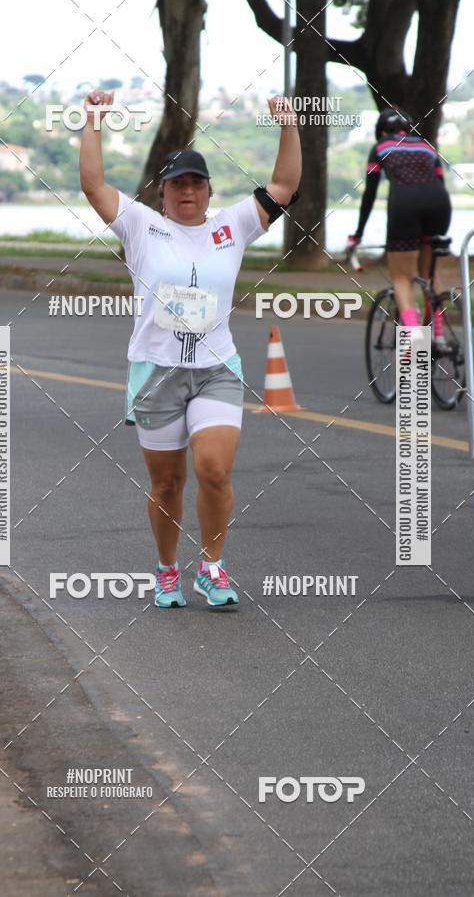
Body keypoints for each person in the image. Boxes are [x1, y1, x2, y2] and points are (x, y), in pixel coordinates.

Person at [80, 90, 301, 609]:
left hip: (216, 368)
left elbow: (285, 185)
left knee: (214, 470)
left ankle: (213, 567)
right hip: (156, 372)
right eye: (177, 183)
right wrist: (93, 120)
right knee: (167, 484)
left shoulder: (232, 225)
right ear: (163, 193)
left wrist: (288, 124)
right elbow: (92, 184)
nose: (187, 192)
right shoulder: (140, 224)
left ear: (207, 191)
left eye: (195, 183)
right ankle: (165, 569)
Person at [347, 107, 452, 344]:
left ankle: (415, 337)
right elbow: (440, 181)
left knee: (402, 277)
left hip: (405, 204)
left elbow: (370, 194)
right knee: (429, 272)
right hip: (439, 203)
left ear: (382, 131)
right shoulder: (426, 146)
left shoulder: (381, 147)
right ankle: (439, 336)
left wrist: (358, 234)